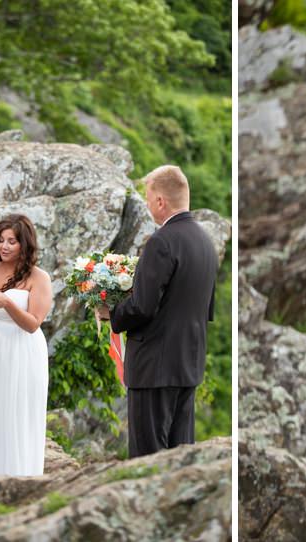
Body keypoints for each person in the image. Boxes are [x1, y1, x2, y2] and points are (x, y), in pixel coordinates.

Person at [98, 165, 219, 458]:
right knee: (180, 457)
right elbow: (206, 310)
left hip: (155, 366)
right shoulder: (206, 243)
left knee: (147, 457)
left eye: (149, 199)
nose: (149, 206)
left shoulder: (162, 242)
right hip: (188, 364)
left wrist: (111, 312)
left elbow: (142, 306)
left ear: (161, 202)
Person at [0, 214, 53, 478]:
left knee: (15, 413)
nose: (4, 246)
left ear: (24, 244)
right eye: (1, 240)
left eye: (12, 241)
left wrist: (9, 304)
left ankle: (18, 475)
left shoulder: (38, 277)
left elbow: (33, 324)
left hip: (20, 351)